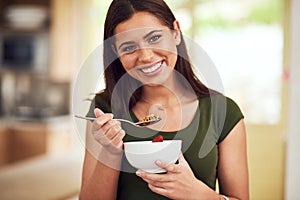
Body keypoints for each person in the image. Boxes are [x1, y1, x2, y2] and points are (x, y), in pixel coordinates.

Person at [79, 0, 249, 199]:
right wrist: (110, 151)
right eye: (129, 47)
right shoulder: (105, 110)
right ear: (117, 52)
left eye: (154, 38)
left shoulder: (223, 112)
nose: (146, 56)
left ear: (176, 32)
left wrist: (200, 194)